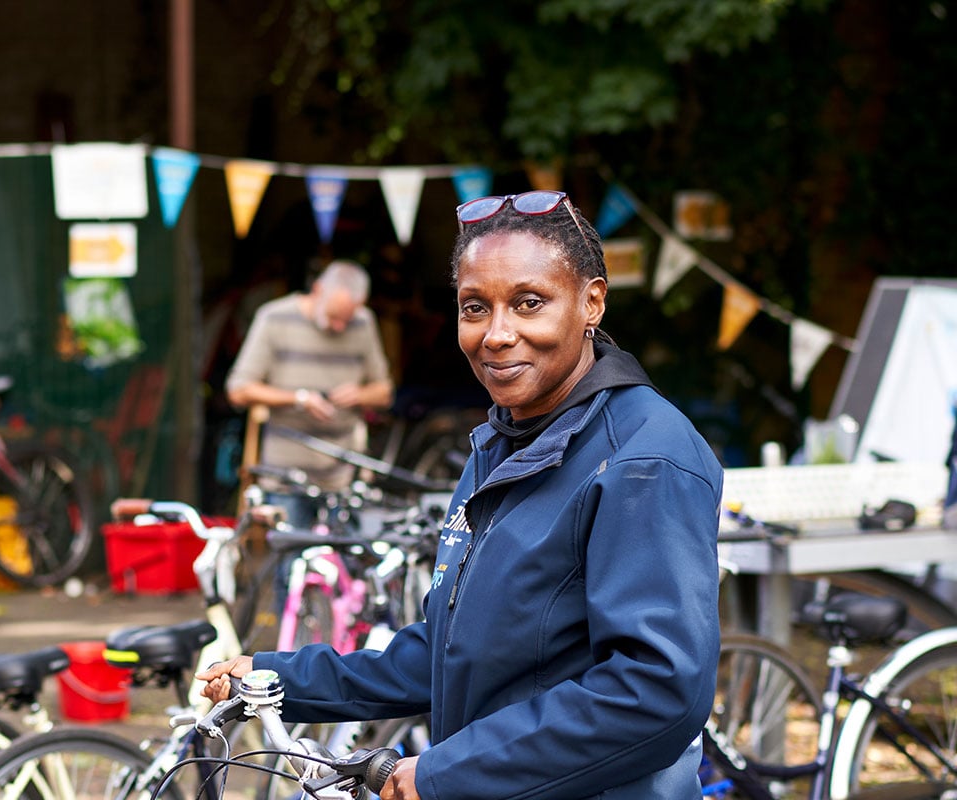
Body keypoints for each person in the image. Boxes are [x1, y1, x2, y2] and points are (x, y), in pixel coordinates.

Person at [201, 190, 724, 800]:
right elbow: (450, 654)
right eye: (475, 307)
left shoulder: (644, 458)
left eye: (529, 303)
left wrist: (445, 773)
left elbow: (655, 693)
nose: (498, 334)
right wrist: (278, 677)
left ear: (592, 303)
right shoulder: (503, 442)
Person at [225, 258, 394, 526]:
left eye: (346, 319)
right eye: (334, 317)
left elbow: (384, 392)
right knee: (291, 561)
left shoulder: (363, 321)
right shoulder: (274, 317)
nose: (340, 327)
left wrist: (360, 395)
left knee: (342, 563)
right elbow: (239, 390)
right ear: (317, 291)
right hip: (287, 478)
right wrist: (298, 398)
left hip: (343, 476)